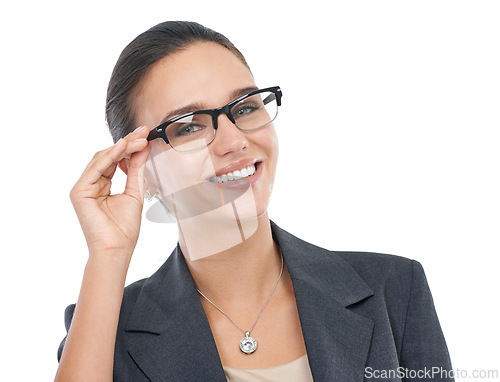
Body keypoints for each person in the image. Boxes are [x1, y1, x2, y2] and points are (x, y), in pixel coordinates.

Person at [55, 21, 453, 381]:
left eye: (245, 107)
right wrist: (108, 254)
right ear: (139, 167)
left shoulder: (394, 291)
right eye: (189, 126)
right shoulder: (105, 328)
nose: (235, 141)